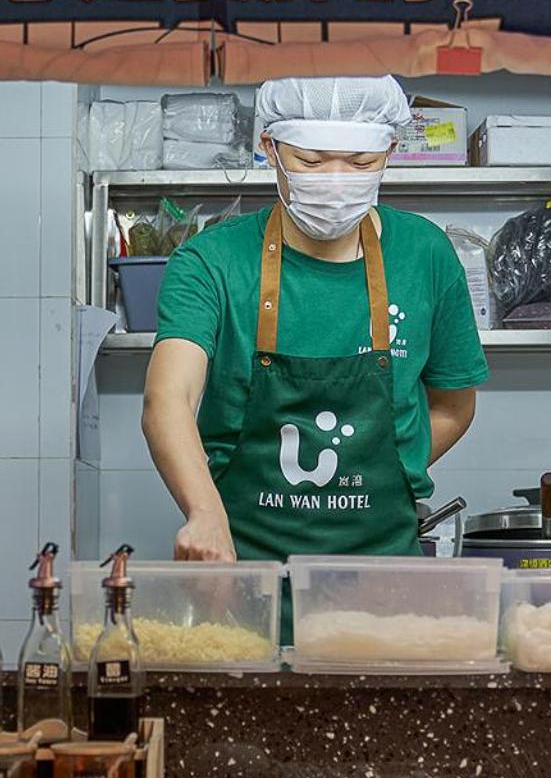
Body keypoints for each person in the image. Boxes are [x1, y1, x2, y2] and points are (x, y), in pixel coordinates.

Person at [142, 76, 487, 562]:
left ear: (390, 152)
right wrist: (204, 513)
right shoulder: (212, 261)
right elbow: (167, 398)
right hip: (243, 567)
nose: (336, 180)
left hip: (384, 570)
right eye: (310, 161)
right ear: (270, 148)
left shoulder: (424, 253)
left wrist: (386, 465)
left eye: (361, 163)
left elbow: (454, 405)